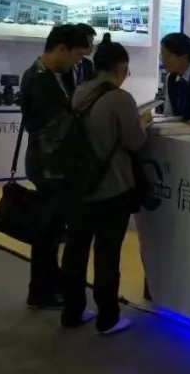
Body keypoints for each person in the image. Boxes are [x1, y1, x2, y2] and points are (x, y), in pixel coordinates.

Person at [60, 37, 149, 335]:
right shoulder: (121, 99)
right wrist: (142, 124)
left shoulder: (80, 92)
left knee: (76, 248)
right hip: (112, 187)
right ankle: (107, 317)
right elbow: (134, 142)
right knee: (107, 253)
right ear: (121, 68)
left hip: (79, 184)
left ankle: (72, 311)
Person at [18, 24, 87, 309]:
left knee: (50, 230)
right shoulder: (40, 81)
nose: (78, 62)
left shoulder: (49, 75)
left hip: (50, 164)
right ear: (61, 49)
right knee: (47, 232)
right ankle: (42, 291)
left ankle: (48, 286)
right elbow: (52, 127)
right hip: (49, 167)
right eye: (77, 55)